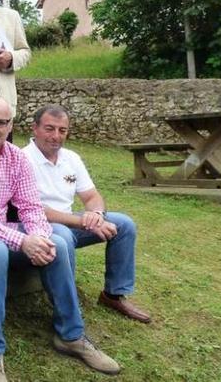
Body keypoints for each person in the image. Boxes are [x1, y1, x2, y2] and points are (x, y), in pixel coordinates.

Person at [0, 96, 120, 381]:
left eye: (0, 122)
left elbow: (31, 206)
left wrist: (37, 236)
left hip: (0, 231)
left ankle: (71, 335)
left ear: (10, 125)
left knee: (56, 243)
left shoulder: (17, 158)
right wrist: (22, 242)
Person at [22, 104, 151, 323]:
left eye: (62, 130)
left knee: (124, 224)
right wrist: (83, 221)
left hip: (70, 220)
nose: (56, 136)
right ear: (34, 128)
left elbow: (91, 196)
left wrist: (97, 215)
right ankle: (66, 307)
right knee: (62, 236)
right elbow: (34, 209)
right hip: (39, 225)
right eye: (49, 128)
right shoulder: (22, 159)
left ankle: (113, 294)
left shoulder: (70, 158)